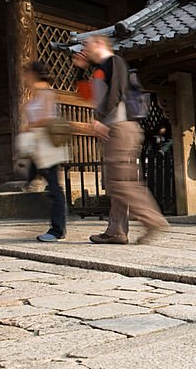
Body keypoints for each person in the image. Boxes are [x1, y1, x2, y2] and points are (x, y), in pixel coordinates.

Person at [72, 35, 168, 245]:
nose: (85, 49)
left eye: (87, 44)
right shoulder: (100, 70)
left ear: (99, 44)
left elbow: (117, 91)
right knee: (116, 182)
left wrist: (104, 121)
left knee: (121, 182)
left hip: (121, 127)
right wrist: (79, 69)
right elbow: (88, 95)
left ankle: (152, 219)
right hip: (115, 129)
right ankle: (116, 231)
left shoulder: (114, 62)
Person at [22, 61, 70, 242]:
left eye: (27, 74)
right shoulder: (38, 95)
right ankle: (29, 182)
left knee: (54, 189)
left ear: (34, 75)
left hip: (48, 146)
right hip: (38, 146)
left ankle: (57, 230)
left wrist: (30, 125)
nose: (25, 78)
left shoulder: (47, 94)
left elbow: (48, 119)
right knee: (37, 181)